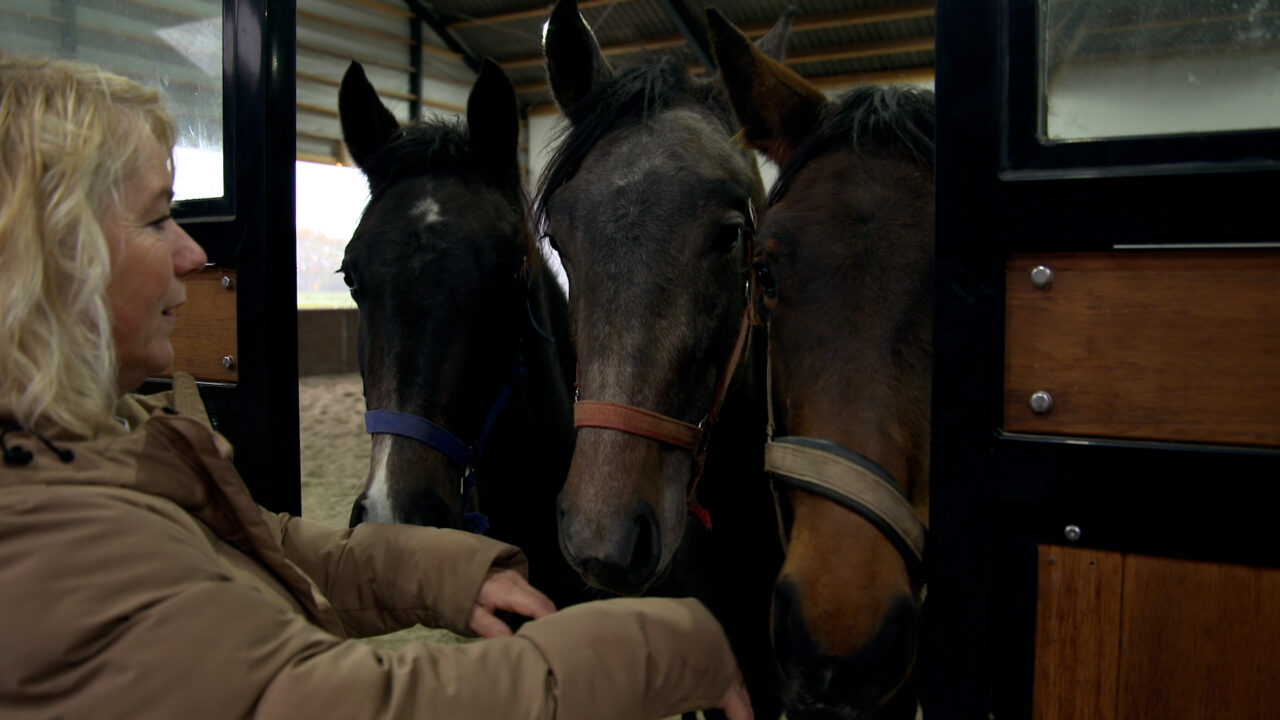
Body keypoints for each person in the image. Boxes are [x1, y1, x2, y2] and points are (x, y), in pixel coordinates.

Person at [0, 54, 752, 720]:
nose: (196, 254)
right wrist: (663, 647)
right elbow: (332, 700)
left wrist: (446, 572)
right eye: (158, 217)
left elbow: (261, 541)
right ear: (53, 255)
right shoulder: (44, 529)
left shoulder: (91, 442)